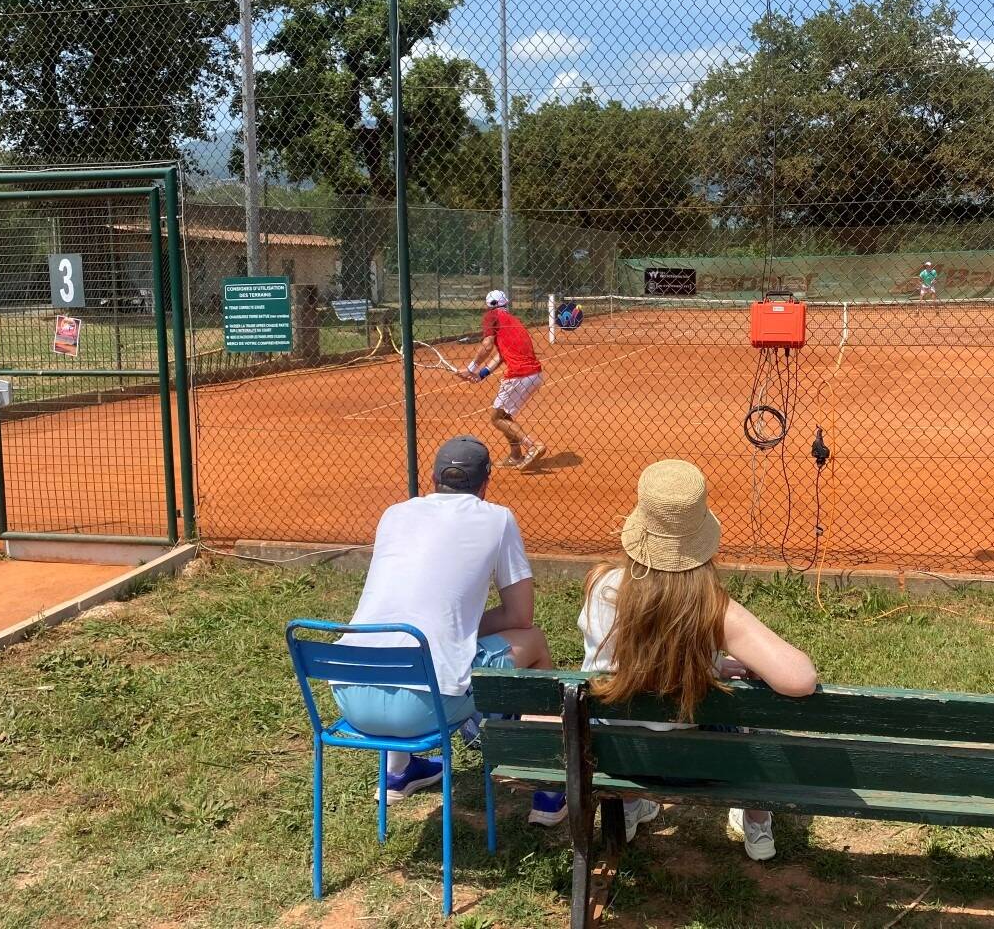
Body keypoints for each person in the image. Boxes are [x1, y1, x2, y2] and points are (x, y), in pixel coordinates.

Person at [580, 459, 817, 860]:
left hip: (617, 759)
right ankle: (757, 822)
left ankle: (632, 806)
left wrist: (708, 667)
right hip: (700, 764)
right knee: (751, 717)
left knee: (613, 708)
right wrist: (719, 665)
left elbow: (639, 666)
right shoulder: (712, 608)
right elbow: (800, 679)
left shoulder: (600, 587)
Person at [334, 435, 567, 825]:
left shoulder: (394, 513)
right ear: (486, 482)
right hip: (425, 708)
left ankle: (397, 770)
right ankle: (548, 787)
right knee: (536, 642)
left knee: (407, 645)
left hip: (351, 698)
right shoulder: (497, 517)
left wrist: (453, 629)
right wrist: (458, 629)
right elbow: (520, 615)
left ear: (433, 478)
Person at [460, 290, 546, 469]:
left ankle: (533, 446)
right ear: (506, 303)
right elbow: (501, 355)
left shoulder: (491, 316)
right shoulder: (514, 321)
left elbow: (487, 345)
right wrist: (481, 374)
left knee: (497, 418)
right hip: (534, 375)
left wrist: (470, 368)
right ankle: (515, 456)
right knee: (505, 416)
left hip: (520, 374)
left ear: (488, 305)